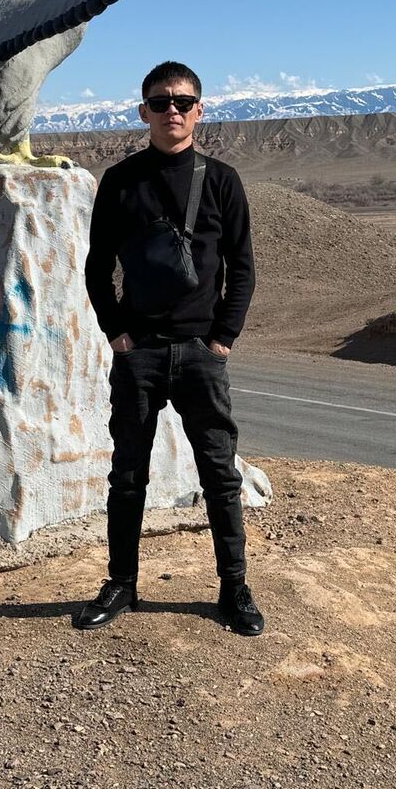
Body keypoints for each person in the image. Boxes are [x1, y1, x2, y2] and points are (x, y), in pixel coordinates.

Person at [78, 61, 263, 636]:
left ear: (199, 111)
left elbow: (242, 267)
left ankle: (234, 587)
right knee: (127, 475)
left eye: (183, 102)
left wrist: (222, 339)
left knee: (220, 476)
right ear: (144, 112)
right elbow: (96, 267)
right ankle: (121, 584)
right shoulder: (120, 181)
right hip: (140, 355)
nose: (172, 111)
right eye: (160, 103)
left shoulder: (222, 180)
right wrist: (117, 333)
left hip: (201, 355)